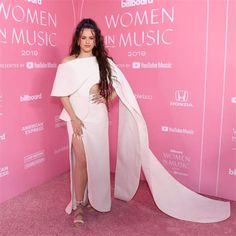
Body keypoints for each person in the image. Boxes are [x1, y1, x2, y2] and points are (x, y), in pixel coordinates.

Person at [51, 18, 230, 226]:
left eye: (92, 38)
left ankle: (94, 199)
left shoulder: (104, 62)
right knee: (81, 161)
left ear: (96, 40)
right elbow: (62, 94)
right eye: (84, 38)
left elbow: (122, 85)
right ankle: (79, 205)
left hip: (98, 117)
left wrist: (107, 98)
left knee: (97, 161)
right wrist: (73, 118)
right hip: (76, 117)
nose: (88, 41)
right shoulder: (68, 62)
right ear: (78, 39)